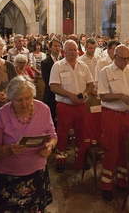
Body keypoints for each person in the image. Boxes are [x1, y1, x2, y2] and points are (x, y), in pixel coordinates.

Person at [0, 76, 57, 213]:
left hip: (37, 174)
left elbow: (53, 136)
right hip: (9, 177)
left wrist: (49, 146)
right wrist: (8, 150)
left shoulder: (43, 109)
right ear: (10, 99)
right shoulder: (1, 114)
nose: (25, 103)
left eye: (28, 98)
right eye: (19, 100)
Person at [98, 45, 129, 201]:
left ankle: (122, 179)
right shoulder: (106, 71)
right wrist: (120, 96)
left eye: (127, 58)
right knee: (111, 148)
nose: (125, 61)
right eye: (122, 58)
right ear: (115, 56)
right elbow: (103, 96)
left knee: (127, 148)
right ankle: (106, 184)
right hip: (112, 114)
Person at [49, 40, 94, 170]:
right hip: (65, 106)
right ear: (64, 52)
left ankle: (80, 159)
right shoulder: (58, 66)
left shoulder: (83, 66)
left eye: (75, 50)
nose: (73, 52)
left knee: (82, 133)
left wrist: (85, 94)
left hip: (81, 106)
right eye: (70, 50)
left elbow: (90, 84)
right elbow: (53, 86)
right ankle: (61, 160)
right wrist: (70, 95)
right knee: (62, 134)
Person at [41, 38, 63, 124]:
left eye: (59, 46)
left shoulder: (63, 61)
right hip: (51, 96)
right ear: (50, 48)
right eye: (55, 46)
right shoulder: (45, 62)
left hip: (62, 96)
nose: (57, 48)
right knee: (51, 120)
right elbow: (47, 81)